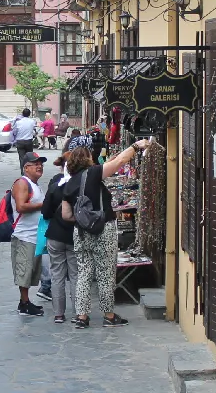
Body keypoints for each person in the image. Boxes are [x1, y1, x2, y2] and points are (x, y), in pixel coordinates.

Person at [63, 136, 151, 329]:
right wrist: (137, 146)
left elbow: (66, 214)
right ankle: (109, 315)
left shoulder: (69, 184)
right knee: (105, 273)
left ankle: (82, 316)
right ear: (88, 158)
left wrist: (84, 220)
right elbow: (119, 162)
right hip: (103, 229)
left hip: (81, 232)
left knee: (84, 273)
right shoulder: (93, 173)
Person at [40, 142, 78, 323]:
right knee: (76, 274)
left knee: (57, 275)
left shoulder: (55, 183)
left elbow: (46, 211)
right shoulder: (80, 183)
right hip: (74, 235)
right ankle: (79, 312)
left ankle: (58, 314)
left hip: (55, 234)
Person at [10, 152, 48, 316]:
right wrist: (43, 205)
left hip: (34, 235)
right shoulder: (22, 183)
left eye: (41, 164)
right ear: (26, 168)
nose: (39, 166)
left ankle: (25, 302)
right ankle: (24, 303)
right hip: (24, 235)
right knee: (24, 271)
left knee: (31, 271)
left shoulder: (34, 184)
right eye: (35, 164)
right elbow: (21, 207)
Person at [11, 108, 38, 173]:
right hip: (29, 141)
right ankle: (30, 171)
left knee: (21, 157)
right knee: (29, 157)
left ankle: (23, 172)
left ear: (22, 114)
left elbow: (14, 132)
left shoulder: (18, 122)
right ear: (29, 114)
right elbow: (34, 130)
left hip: (20, 141)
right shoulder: (32, 121)